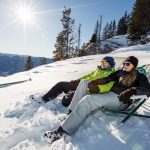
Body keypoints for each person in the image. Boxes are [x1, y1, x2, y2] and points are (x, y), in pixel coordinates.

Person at [43, 56, 150, 144]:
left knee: (88, 100)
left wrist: (130, 91)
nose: (125, 65)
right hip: (110, 94)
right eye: (124, 63)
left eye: (128, 64)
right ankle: (70, 114)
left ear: (134, 65)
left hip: (121, 100)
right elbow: (107, 78)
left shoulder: (140, 76)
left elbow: (146, 90)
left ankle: (62, 132)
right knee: (84, 82)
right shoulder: (120, 73)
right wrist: (94, 82)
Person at [31, 56, 116, 107]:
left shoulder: (111, 74)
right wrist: (78, 80)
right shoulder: (98, 70)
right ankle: (44, 99)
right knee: (61, 85)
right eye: (102, 62)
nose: (102, 63)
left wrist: (94, 89)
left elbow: (107, 87)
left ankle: (67, 103)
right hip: (81, 83)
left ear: (109, 64)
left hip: (88, 89)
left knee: (66, 100)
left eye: (104, 62)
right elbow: (87, 76)